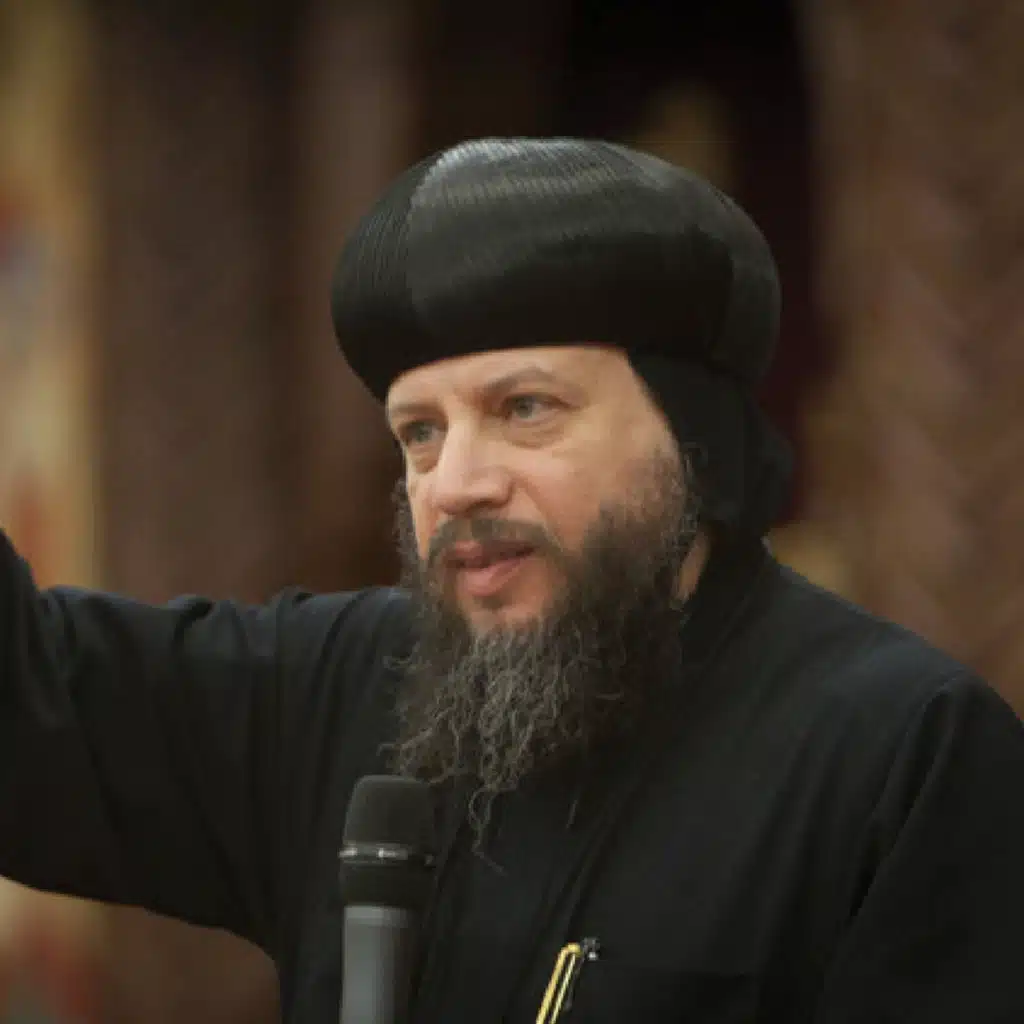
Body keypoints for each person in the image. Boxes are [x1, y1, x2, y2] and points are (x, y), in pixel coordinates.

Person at [2, 138, 1024, 1024]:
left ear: (692, 436)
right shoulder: (336, 688)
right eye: (419, 431)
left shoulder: (900, 755)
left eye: (524, 408)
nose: (454, 483)